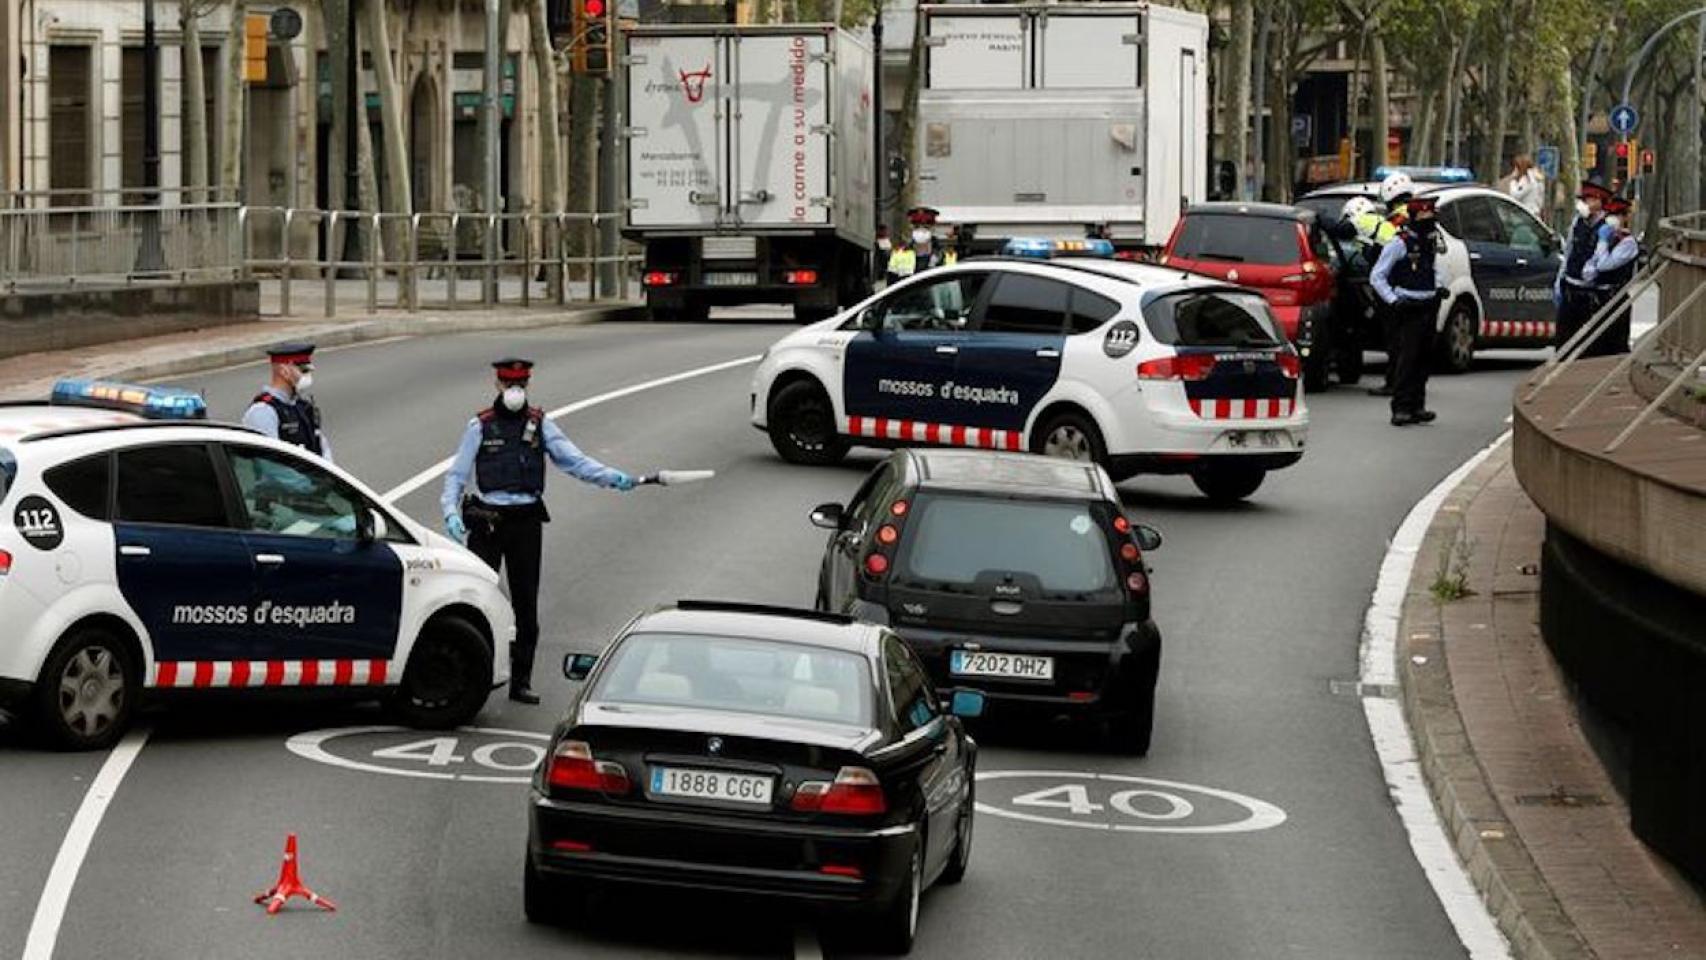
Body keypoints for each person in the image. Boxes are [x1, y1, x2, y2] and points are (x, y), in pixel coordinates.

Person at [440, 358, 637, 705]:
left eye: (521, 383)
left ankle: (521, 680)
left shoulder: (542, 424)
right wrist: (450, 513)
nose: (514, 389)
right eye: (508, 382)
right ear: (497, 384)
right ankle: (470, 676)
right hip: (488, 521)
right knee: (474, 597)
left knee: (525, 602)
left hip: (525, 522)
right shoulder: (480, 425)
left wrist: (612, 478)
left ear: (527, 385)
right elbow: (456, 476)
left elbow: (575, 462)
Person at [1369, 195, 1448, 426]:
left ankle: (1417, 405)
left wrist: (1440, 287)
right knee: (1408, 358)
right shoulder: (1400, 242)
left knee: (1424, 358)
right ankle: (1401, 407)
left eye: (1432, 215)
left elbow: (1432, 268)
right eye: (1426, 215)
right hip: (1408, 306)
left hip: (1429, 304)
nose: (1430, 219)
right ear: (1414, 217)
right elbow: (1377, 276)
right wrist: (1393, 300)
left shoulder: (1429, 240)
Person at [243, 343, 332, 461]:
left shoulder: (304, 407)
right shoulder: (263, 412)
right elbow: (269, 463)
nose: (308, 376)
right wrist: (305, 480)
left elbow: (321, 448)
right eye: (303, 370)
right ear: (284, 371)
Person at [1554, 180, 1612, 350]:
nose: (1586, 203)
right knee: (1564, 337)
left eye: (1591, 199)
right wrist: (1560, 278)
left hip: (1590, 292)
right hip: (1571, 285)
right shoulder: (1577, 223)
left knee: (1587, 342)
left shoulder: (1607, 227)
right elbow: (1569, 250)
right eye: (1585, 199)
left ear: (1600, 201)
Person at [1581, 194, 1639, 357]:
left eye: (1618, 215)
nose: (1614, 219)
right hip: (1598, 297)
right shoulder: (1605, 237)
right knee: (1596, 345)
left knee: (1615, 346)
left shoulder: (1627, 243)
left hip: (1616, 297)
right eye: (1610, 215)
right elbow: (1589, 269)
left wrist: (1603, 243)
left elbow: (1604, 265)